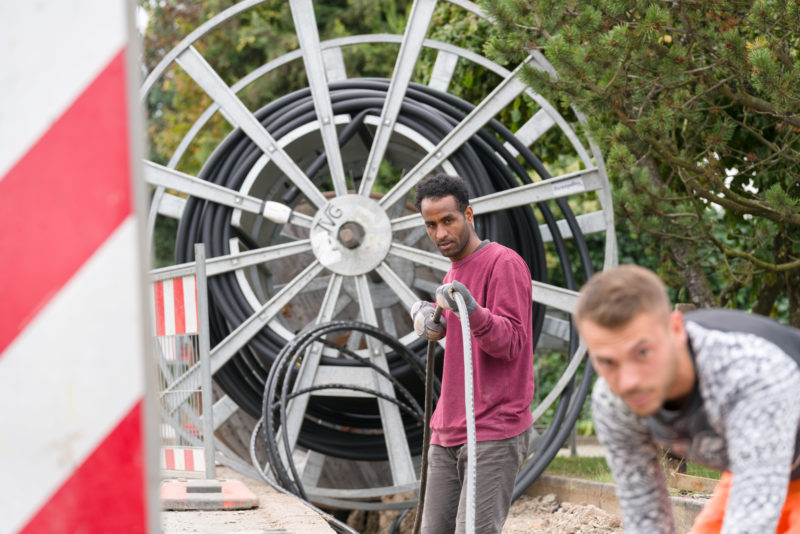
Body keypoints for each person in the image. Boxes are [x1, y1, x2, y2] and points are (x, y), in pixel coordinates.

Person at [574, 264, 800, 534]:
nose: (628, 382)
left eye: (643, 352)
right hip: (758, 469)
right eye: (607, 361)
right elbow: (644, 517)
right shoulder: (613, 401)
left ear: (677, 329)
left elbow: (752, 524)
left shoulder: (750, 374)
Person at [409, 173, 534, 534]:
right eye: (431, 225)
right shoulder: (451, 275)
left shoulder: (503, 263)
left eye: (448, 220)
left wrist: (472, 310)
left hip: (493, 430)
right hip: (446, 432)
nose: (440, 234)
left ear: (469, 214)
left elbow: (511, 342)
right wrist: (427, 317)